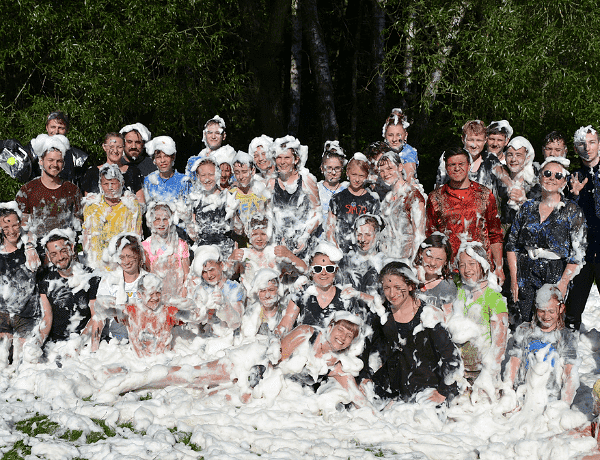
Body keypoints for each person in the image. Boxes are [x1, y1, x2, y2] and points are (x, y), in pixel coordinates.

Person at [101, 313, 369, 410]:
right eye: (340, 330)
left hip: (259, 388)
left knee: (198, 395)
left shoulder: (336, 367)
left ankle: (137, 382)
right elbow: (274, 357)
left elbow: (355, 394)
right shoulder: (308, 332)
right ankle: (129, 381)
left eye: (349, 335)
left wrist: (374, 413)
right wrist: (249, 381)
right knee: (194, 375)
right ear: (331, 325)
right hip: (250, 363)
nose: (342, 337)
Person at [359, 261, 462, 406]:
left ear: (410, 286)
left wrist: (443, 392)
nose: (392, 294)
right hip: (391, 389)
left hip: (425, 389)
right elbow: (363, 345)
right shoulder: (382, 313)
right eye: (386, 288)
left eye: (397, 287)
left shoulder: (427, 316)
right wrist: (364, 376)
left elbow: (452, 357)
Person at [506, 156, 587, 326]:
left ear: (564, 182)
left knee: (549, 323)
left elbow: (578, 254)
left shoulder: (572, 211)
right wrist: (514, 279)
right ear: (540, 176)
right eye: (547, 173)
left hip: (555, 273)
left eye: (558, 176)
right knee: (524, 323)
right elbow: (512, 244)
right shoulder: (527, 207)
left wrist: (563, 283)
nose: (552, 178)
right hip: (525, 272)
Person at [426, 146, 504, 280]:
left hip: (481, 267)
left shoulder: (484, 194)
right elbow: (431, 237)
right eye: (452, 165)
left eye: (461, 164)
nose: (457, 168)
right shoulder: (436, 197)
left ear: (469, 166)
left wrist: (499, 267)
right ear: (446, 167)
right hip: (450, 270)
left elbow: (495, 234)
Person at [447, 241, 508, 398]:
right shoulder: (460, 291)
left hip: (482, 374)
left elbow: (499, 344)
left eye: (472, 264)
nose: (467, 270)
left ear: (483, 265)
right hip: (458, 370)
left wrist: (488, 375)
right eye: (462, 265)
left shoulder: (494, 298)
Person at [504, 284, 579, 406]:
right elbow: (514, 363)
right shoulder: (524, 331)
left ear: (561, 309)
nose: (546, 316)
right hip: (523, 394)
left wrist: (563, 406)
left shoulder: (566, 336)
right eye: (541, 311)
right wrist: (508, 391)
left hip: (550, 398)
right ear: (536, 308)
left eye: (551, 311)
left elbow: (570, 374)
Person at [276, 242, 362, 336]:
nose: (323, 273)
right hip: (305, 349)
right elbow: (285, 326)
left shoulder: (346, 298)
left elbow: (356, 337)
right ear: (312, 271)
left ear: (336, 271)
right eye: (318, 269)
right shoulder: (301, 294)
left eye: (329, 268)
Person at [38, 229, 102, 347]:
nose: (60, 257)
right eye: (54, 254)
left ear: (72, 248)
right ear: (48, 255)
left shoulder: (90, 277)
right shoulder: (46, 282)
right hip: (55, 346)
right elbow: (47, 318)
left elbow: (97, 317)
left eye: (63, 251)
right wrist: (37, 344)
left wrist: (84, 345)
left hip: (83, 343)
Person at [565, 126, 600, 330]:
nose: (587, 148)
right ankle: (570, 351)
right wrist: (575, 195)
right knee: (573, 308)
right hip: (581, 251)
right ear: (576, 149)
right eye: (581, 144)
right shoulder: (573, 176)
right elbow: (565, 216)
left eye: (592, 142)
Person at [15, 135, 83, 240]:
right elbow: (21, 226)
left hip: (65, 250)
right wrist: (30, 248)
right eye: (50, 160)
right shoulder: (28, 190)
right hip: (37, 250)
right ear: (41, 161)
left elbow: (81, 222)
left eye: (59, 161)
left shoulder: (72, 190)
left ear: (63, 164)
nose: (55, 164)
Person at [0, 203, 41, 365]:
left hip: (27, 315)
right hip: (2, 315)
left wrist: (30, 246)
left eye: (15, 224)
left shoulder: (30, 250)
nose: (11, 230)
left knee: (24, 359)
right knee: (3, 358)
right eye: (6, 226)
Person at [267, 136, 321, 256]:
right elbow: (268, 214)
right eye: (279, 158)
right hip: (278, 246)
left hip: (303, 246)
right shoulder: (271, 183)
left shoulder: (307, 180)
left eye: (287, 157)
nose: (282, 162)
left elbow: (317, 212)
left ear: (296, 159)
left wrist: (305, 236)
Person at [82, 164, 142, 270]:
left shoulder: (131, 205)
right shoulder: (92, 206)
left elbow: (135, 237)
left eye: (113, 183)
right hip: (97, 264)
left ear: (122, 183)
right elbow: (87, 241)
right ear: (100, 186)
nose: (110, 187)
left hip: (123, 264)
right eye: (105, 184)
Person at [228, 213, 307, 293]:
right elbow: (229, 276)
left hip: (275, 301)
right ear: (249, 234)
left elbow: (305, 271)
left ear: (269, 234)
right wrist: (231, 260)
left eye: (263, 234)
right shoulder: (243, 254)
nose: (259, 238)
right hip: (251, 301)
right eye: (255, 234)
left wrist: (290, 255)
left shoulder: (275, 253)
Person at [97, 233, 149, 340]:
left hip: (140, 339)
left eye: (129, 256)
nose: (126, 262)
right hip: (112, 343)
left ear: (138, 255)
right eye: (122, 257)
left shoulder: (149, 280)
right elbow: (98, 316)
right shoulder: (108, 280)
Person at [377, 150, 426, 262]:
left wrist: (414, 264)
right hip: (387, 259)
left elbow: (419, 235)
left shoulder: (412, 196)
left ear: (400, 167)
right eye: (382, 171)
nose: (386, 174)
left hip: (406, 261)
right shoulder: (386, 199)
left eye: (389, 168)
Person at [326, 153, 380, 252]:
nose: (357, 179)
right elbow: (330, 229)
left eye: (361, 176)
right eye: (354, 174)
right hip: (341, 251)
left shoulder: (372, 200)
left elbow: (375, 233)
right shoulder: (337, 199)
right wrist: (335, 250)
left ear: (367, 176)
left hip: (363, 253)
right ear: (347, 173)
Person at [185, 245, 244, 333]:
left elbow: (236, 323)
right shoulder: (201, 289)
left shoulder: (234, 288)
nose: (209, 275)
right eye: (204, 272)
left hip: (230, 337)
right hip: (208, 338)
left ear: (221, 265)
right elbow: (195, 325)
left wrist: (224, 304)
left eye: (211, 269)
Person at [187, 156, 237, 259]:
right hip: (202, 252)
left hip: (225, 253)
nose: (207, 179)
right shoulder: (195, 201)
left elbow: (239, 231)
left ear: (218, 174)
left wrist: (235, 214)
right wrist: (187, 222)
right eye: (203, 175)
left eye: (211, 174)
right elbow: (193, 237)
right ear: (197, 176)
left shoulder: (227, 197)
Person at [141, 202, 190, 302]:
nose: (161, 223)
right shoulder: (145, 246)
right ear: (151, 221)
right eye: (157, 219)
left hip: (177, 297)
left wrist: (183, 298)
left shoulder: (181, 244)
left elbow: (187, 276)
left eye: (165, 219)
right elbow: (144, 277)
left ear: (171, 220)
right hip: (155, 299)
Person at [79, 132, 145, 205]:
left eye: (119, 147)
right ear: (104, 147)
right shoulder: (92, 173)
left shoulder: (133, 172)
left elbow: (141, 204)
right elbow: (87, 205)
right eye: (111, 147)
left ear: (123, 147)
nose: (115, 151)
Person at [436, 120, 500, 192]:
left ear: (485, 141)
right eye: (470, 140)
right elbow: (439, 190)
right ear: (463, 139)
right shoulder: (450, 157)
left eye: (479, 140)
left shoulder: (491, 161)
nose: (474, 145)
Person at [492, 136, 540, 228]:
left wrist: (524, 201)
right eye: (510, 154)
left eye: (518, 155)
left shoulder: (536, 182)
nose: (513, 159)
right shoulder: (498, 179)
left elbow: (542, 216)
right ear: (505, 157)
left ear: (527, 157)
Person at [228, 150, 269, 246]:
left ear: (253, 171)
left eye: (244, 172)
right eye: (237, 172)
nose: (241, 176)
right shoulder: (231, 195)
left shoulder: (261, 192)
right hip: (240, 243)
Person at [338, 214, 385, 295]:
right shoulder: (346, 262)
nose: (363, 239)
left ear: (377, 236)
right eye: (359, 235)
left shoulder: (383, 263)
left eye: (368, 235)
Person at [412, 232, 456, 314]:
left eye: (439, 259)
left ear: (446, 262)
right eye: (429, 256)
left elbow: (447, 320)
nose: (432, 263)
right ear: (420, 253)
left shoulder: (447, 287)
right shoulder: (410, 278)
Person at [143, 136, 189, 205]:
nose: (162, 160)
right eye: (158, 157)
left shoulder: (184, 181)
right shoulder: (149, 181)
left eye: (166, 156)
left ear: (173, 157)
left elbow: (187, 208)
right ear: (154, 160)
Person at [381, 108, 418, 183]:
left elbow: (408, 181)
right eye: (390, 135)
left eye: (399, 135)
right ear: (385, 135)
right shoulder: (381, 150)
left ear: (406, 136)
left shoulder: (409, 152)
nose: (394, 139)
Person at [317, 141, 348, 229]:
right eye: (329, 168)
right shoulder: (316, 189)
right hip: (319, 239)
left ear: (342, 169)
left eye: (337, 168)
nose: (333, 172)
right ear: (322, 168)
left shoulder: (347, 189)